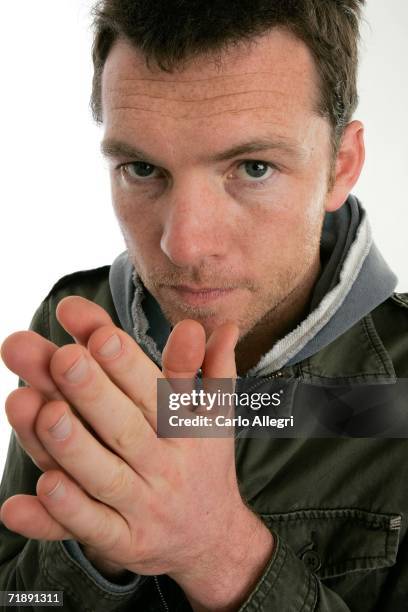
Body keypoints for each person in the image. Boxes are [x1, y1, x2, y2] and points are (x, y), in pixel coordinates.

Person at [1, 0, 407, 610]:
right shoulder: (77, 323)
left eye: (253, 167)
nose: (183, 245)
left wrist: (218, 552)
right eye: (141, 168)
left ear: (340, 166)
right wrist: (100, 543)